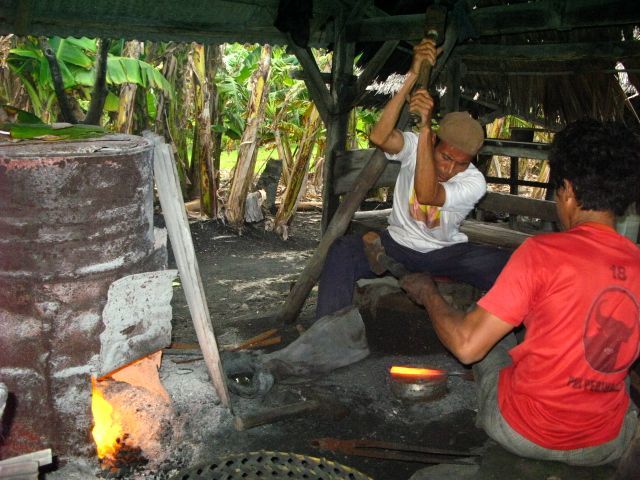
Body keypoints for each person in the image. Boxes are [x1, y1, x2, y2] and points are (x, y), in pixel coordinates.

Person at [400, 119, 640, 467]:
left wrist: (429, 294)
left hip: (522, 432)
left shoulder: (541, 253)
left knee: (492, 347)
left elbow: (466, 346)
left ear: (568, 190)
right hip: (604, 445)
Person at [316, 38, 511, 319]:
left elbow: (427, 194)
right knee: (342, 251)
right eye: (445, 158)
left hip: (446, 254)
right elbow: (379, 136)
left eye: (460, 163)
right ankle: (328, 337)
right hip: (397, 245)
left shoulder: (474, 182)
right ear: (435, 144)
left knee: (511, 267)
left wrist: (425, 129)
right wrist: (412, 76)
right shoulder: (415, 146)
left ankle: (494, 339)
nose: (449, 169)